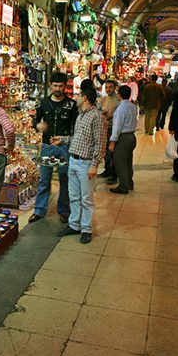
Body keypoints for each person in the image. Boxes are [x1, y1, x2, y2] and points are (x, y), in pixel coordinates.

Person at [55, 85, 106, 244]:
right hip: (73, 161)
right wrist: (62, 139)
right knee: (74, 197)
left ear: (84, 98)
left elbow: (100, 143)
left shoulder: (96, 116)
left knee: (87, 199)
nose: (75, 97)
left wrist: (95, 164)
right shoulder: (80, 116)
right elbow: (78, 139)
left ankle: (86, 229)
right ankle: (74, 225)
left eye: (78, 95)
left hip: (86, 163)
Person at [30, 72, 78, 224]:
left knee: (64, 179)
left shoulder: (71, 105)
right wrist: (38, 126)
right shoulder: (43, 103)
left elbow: (75, 127)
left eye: (60, 86)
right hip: (48, 147)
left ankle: (64, 210)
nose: (57, 88)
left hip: (64, 148)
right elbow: (35, 121)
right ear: (50, 85)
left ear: (65, 86)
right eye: (55, 85)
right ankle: (39, 210)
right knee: (45, 180)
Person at [108, 85, 138, 194]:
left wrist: (112, 142)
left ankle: (123, 186)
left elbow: (117, 127)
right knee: (128, 161)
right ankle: (129, 182)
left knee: (120, 162)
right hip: (132, 136)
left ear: (119, 95)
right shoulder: (132, 106)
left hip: (123, 137)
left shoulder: (120, 108)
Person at [97, 80, 119, 182]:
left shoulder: (118, 99)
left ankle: (113, 174)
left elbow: (120, 114)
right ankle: (107, 170)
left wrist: (111, 116)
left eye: (110, 87)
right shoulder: (104, 98)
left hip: (113, 128)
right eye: (106, 87)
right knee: (105, 151)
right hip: (104, 128)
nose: (108, 89)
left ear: (115, 88)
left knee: (112, 152)